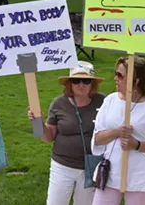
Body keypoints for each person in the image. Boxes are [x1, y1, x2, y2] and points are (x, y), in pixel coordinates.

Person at [91, 56, 145, 205]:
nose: (115, 78)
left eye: (120, 75)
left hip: (140, 178)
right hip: (110, 175)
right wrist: (116, 132)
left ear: (136, 80)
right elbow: (97, 138)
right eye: (116, 73)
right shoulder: (110, 101)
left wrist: (136, 145)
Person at [28, 62, 105, 205]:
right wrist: (38, 122)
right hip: (62, 165)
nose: (81, 84)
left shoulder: (103, 102)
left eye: (86, 80)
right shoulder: (58, 103)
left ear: (92, 83)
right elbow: (48, 137)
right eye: (76, 81)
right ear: (69, 83)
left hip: (91, 166)